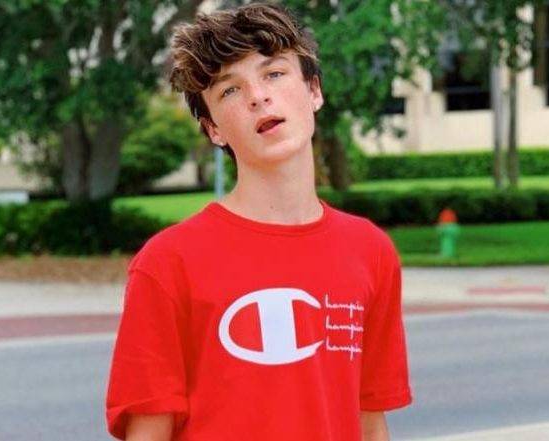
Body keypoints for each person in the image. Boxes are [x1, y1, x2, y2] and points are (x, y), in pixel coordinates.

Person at [105, 3, 412, 440]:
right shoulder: (168, 264)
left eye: (274, 74)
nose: (257, 96)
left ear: (314, 91)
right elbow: (149, 434)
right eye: (230, 90)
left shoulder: (370, 251)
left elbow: (369, 421)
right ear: (213, 129)